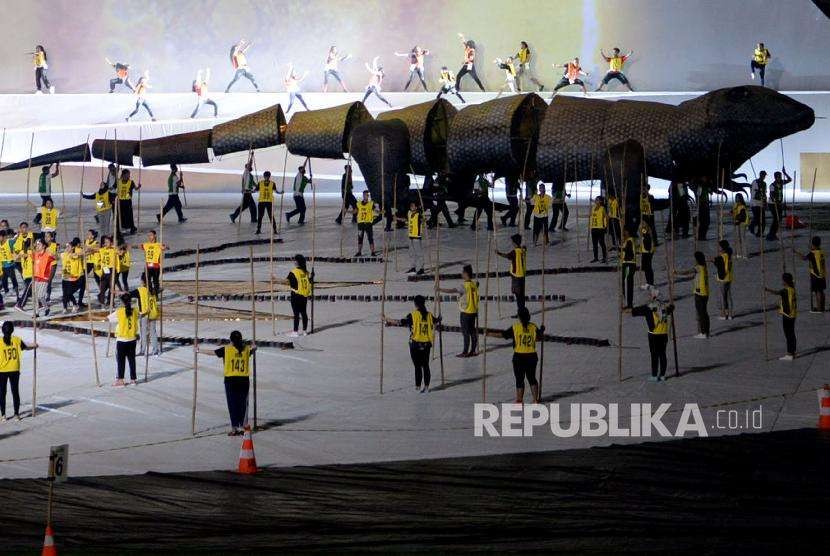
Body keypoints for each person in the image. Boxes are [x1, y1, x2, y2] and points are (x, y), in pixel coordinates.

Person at [198, 331, 256, 435]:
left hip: (231, 380)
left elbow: (213, 353)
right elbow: (252, 350)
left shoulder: (227, 350)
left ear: (231, 340)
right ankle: (243, 426)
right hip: (243, 380)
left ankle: (234, 428)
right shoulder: (246, 349)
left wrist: (198, 350)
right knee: (243, 404)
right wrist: (255, 348)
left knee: (232, 404)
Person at [387, 295, 441, 393]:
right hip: (426, 344)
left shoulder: (413, 315)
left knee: (417, 366)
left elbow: (401, 322)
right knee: (425, 365)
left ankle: (418, 386)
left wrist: (387, 319)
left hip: (415, 344)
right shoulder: (429, 315)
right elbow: (436, 320)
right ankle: (427, 386)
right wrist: (439, 318)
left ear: (415, 304)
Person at [502, 307, 543, 403]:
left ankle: (519, 400)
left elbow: (504, 335)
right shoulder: (533, 327)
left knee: (519, 379)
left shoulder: (516, 327)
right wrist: (541, 331)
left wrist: (489, 333)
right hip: (531, 357)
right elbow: (538, 338)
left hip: (519, 357)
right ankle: (535, 399)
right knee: (532, 378)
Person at [632, 289, 674, 381]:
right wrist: (671, 305)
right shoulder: (664, 306)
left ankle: (654, 375)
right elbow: (671, 308)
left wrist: (626, 309)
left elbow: (634, 311)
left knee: (654, 355)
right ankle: (662, 375)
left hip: (654, 335)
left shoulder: (648, 308)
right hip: (664, 334)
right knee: (662, 354)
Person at [0, 321, 37, 421]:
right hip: (14, 369)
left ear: (2, 330)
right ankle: (16, 414)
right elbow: (26, 347)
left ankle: (3, 415)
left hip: (2, 371)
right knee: (15, 392)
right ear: (12, 330)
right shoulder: (17, 340)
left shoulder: (0, 342)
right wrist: (34, 346)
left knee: (2, 393)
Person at [440, 264, 479, 357]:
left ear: (466, 273)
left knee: (466, 333)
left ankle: (465, 352)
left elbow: (452, 290)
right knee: (472, 331)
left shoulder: (464, 286)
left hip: (466, 312)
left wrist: (440, 289)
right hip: (473, 311)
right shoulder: (473, 284)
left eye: (462, 272)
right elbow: (477, 285)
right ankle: (473, 350)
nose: (461, 274)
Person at [676, 251, 710, 338]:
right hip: (705, 292)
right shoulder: (704, 267)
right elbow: (693, 276)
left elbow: (688, 272)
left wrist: (677, 273)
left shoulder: (698, 268)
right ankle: (706, 331)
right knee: (704, 313)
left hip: (700, 293)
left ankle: (703, 332)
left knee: (701, 313)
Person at [108, 293, 139, 385]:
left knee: (121, 360)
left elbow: (110, 319)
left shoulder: (119, 311)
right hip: (132, 339)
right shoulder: (135, 311)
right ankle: (133, 379)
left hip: (122, 339)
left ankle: (120, 379)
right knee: (132, 360)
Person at [765, 273, 797, 360]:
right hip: (793, 314)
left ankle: (789, 353)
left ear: (785, 281)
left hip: (787, 315)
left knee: (788, 335)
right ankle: (792, 351)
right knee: (792, 334)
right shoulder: (792, 289)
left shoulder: (785, 291)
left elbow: (776, 292)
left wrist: (767, 290)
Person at [497, 234, 527, 316]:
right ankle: (522, 311)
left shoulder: (515, 252)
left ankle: (520, 312)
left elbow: (507, 256)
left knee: (518, 296)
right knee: (521, 295)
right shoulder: (522, 250)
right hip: (522, 276)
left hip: (516, 276)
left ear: (514, 243)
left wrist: (498, 253)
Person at [132, 272, 160, 356]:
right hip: (153, 313)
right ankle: (155, 350)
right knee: (153, 332)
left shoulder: (140, 290)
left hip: (144, 314)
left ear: (143, 281)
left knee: (143, 333)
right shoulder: (153, 289)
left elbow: (129, 294)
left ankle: (143, 350)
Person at [796, 236, 826, 313]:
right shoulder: (821, 252)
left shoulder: (812, 253)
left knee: (817, 292)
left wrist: (796, 252)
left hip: (816, 275)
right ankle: (822, 307)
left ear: (813, 244)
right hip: (822, 274)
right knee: (821, 291)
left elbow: (804, 258)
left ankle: (819, 309)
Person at [286, 254, 312, 337]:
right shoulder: (306, 272)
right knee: (304, 313)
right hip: (304, 296)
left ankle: (295, 332)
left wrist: (275, 279)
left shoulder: (294, 272)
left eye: (295, 260)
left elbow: (287, 282)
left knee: (296, 314)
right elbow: (309, 281)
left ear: (297, 262)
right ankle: (304, 331)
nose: (294, 262)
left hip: (296, 295)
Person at [29, 238, 57, 316]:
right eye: (37, 244)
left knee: (41, 296)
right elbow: (28, 254)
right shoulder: (35, 254)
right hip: (36, 277)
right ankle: (37, 312)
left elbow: (55, 258)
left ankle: (46, 307)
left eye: (39, 244)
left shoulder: (47, 255)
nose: (37, 246)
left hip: (44, 278)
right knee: (34, 296)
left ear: (44, 246)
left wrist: (53, 254)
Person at [399, 201, 425, 275]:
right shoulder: (409, 213)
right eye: (411, 206)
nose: (411, 207)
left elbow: (423, 220)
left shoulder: (418, 214)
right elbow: (406, 220)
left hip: (417, 236)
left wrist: (423, 219)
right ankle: (413, 267)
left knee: (419, 253)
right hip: (410, 236)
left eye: (413, 206)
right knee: (412, 253)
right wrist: (397, 218)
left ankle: (421, 268)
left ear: (416, 207)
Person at [230, 156, 257, 224]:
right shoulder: (246, 172)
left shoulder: (249, 175)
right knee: (246, 206)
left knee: (251, 206)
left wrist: (257, 186)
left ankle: (253, 219)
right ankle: (233, 216)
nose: (251, 167)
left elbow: (252, 183)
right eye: (250, 166)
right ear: (247, 167)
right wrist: (251, 157)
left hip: (248, 192)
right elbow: (250, 164)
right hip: (246, 192)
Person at [713, 240, 734, 320]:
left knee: (722, 296)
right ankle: (730, 314)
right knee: (728, 296)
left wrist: (714, 260)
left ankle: (723, 314)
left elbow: (719, 265)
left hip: (723, 279)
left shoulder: (723, 256)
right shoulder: (729, 255)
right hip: (729, 277)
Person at [60, 239, 84, 313]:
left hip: (73, 276)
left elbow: (79, 254)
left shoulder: (76, 255)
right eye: (66, 247)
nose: (67, 248)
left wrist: (74, 254)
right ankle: (64, 307)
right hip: (65, 275)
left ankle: (75, 304)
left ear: (73, 248)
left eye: (68, 247)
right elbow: (58, 255)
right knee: (64, 293)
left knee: (69, 293)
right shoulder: (64, 254)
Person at [767, 169, 791, 241]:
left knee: (779, 219)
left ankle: (773, 234)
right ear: (775, 177)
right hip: (772, 204)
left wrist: (785, 173)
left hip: (778, 204)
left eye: (780, 177)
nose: (780, 178)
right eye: (778, 177)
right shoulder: (772, 185)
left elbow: (789, 180)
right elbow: (772, 196)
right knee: (776, 219)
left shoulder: (781, 182)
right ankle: (771, 234)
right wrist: (780, 205)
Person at [354, 190, 379, 257]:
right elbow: (355, 211)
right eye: (365, 195)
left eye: (367, 195)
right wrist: (346, 211)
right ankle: (359, 252)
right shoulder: (358, 204)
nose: (366, 196)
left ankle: (373, 252)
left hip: (368, 224)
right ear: (363, 195)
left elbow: (375, 210)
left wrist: (380, 212)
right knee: (360, 238)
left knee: (370, 238)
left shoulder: (371, 204)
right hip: (360, 224)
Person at [254, 170, 279, 235]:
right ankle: (258, 229)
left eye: (268, 176)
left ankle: (275, 229)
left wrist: (280, 192)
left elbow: (276, 191)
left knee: (271, 216)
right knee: (260, 216)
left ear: (269, 177)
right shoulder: (260, 183)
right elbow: (255, 190)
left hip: (269, 202)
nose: (266, 177)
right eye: (265, 176)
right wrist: (250, 191)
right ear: (264, 176)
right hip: (261, 202)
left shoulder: (272, 183)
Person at [116, 169, 140, 234]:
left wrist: (138, 186)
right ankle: (121, 228)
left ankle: (131, 228)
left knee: (129, 215)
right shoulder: (119, 181)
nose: (129, 175)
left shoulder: (131, 182)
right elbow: (114, 188)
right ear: (124, 174)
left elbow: (136, 188)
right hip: (120, 201)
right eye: (128, 174)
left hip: (127, 201)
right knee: (121, 215)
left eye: (129, 174)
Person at [13, 238, 34, 311]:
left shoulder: (22, 252)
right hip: (31, 275)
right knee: (28, 291)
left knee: (31, 290)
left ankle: (39, 303)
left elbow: (15, 258)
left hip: (25, 274)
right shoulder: (31, 252)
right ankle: (20, 304)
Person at [0, 230, 19, 301]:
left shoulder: (9, 242)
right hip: (3, 266)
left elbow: (15, 240)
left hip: (10, 265)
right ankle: (6, 291)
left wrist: (17, 235)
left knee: (13, 280)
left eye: (0, 237)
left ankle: (18, 296)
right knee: (4, 281)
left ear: (4, 237)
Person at [589, 196, 609, 264]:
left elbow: (606, 217)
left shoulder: (602, 208)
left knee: (602, 243)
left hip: (600, 228)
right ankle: (595, 258)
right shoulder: (593, 208)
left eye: (597, 200)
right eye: (595, 200)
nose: (595, 201)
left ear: (600, 201)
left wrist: (605, 226)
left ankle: (604, 258)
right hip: (593, 228)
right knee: (594, 244)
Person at [621, 228, 636, 310]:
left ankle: (629, 304)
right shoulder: (625, 241)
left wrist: (622, 249)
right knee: (624, 281)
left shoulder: (629, 240)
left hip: (629, 264)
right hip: (625, 263)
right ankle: (626, 301)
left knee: (628, 282)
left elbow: (629, 253)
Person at [749, 171, 767, 237]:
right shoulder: (755, 182)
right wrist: (759, 189)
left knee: (763, 220)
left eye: (764, 175)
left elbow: (764, 193)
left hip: (761, 203)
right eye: (763, 175)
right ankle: (751, 227)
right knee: (757, 219)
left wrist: (765, 202)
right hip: (754, 203)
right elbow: (753, 192)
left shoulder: (764, 183)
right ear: (760, 175)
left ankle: (760, 233)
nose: (764, 177)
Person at [732, 193, 748, 258]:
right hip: (736, 223)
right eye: (736, 198)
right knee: (738, 238)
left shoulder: (742, 206)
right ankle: (738, 253)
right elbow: (733, 212)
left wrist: (738, 219)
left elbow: (742, 215)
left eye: (738, 198)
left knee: (742, 238)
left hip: (742, 223)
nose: (737, 199)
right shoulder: (735, 205)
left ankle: (745, 254)